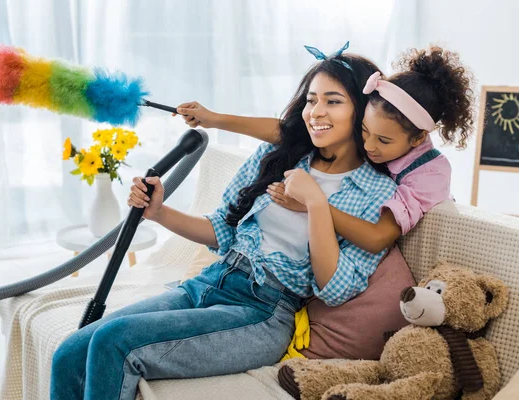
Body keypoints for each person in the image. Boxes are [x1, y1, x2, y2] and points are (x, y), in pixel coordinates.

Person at [50, 44, 397, 400]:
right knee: (69, 353)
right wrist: (159, 212)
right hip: (211, 282)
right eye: (311, 100)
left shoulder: (376, 191)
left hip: (262, 311)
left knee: (115, 343)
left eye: (333, 101)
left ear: (363, 111)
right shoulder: (278, 154)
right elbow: (221, 230)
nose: (316, 112)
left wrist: (314, 203)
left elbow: (334, 288)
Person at [176, 45, 474, 254]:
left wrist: (312, 204)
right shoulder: (361, 130)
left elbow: (376, 238)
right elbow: (288, 132)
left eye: (383, 142)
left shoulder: (427, 174)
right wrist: (213, 119)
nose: (369, 146)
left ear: (417, 138)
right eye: (365, 132)